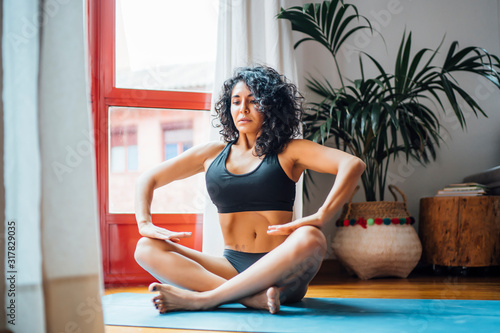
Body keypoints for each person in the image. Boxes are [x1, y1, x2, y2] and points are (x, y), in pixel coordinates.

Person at [134, 65, 365, 314]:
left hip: (282, 271)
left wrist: (322, 216)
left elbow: (352, 164)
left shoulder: (290, 150)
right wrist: (144, 223)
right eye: (236, 101)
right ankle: (250, 298)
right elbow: (148, 179)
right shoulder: (212, 154)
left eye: (253, 101)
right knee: (145, 247)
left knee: (312, 237)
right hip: (230, 266)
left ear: (271, 106)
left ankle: (205, 299)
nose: (242, 109)